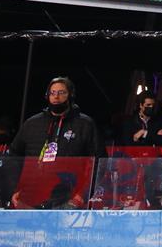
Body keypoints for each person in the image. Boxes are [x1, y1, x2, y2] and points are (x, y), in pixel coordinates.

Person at [9, 76, 105, 209]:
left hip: (68, 199)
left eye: (61, 93)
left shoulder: (85, 124)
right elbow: (13, 157)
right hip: (30, 198)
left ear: (71, 95)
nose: (56, 97)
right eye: (52, 93)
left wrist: (82, 195)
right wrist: (15, 189)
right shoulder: (32, 123)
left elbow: (100, 162)